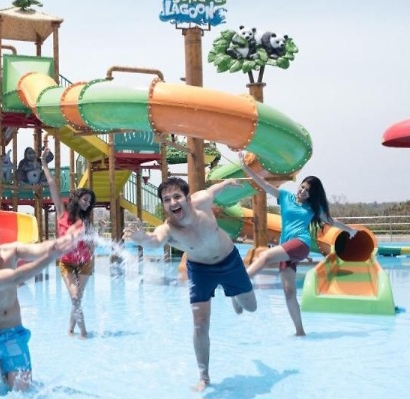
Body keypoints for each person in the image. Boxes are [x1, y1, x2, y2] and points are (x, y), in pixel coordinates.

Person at [122, 176, 257, 392]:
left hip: (230, 260)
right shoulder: (168, 228)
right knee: (200, 324)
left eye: (177, 196)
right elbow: (154, 240)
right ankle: (204, 376)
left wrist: (227, 183)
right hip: (201, 271)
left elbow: (214, 189)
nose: (173, 202)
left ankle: (235, 295)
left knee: (250, 307)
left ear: (188, 198)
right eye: (167, 200)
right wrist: (141, 237)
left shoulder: (202, 201)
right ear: (164, 206)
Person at [0, 210, 83, 398]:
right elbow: (15, 277)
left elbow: (41, 248)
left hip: (13, 333)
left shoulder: (12, 251)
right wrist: (52, 257)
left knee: (22, 390)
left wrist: (63, 241)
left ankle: (2, 365)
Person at [238, 151, 358, 336]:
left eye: (307, 190)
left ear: (312, 195)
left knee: (265, 255)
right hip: (286, 248)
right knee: (288, 291)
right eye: (302, 187)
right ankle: (300, 331)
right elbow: (263, 184)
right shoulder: (285, 196)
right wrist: (246, 167)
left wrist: (349, 230)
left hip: (300, 244)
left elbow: (331, 221)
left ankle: (239, 283)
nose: (303, 191)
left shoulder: (312, 208)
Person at [41, 147, 98, 338]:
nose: (88, 203)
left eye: (90, 201)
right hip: (66, 261)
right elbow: (52, 186)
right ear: (77, 198)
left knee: (77, 298)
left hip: (85, 263)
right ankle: (83, 333)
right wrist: (44, 165)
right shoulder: (61, 213)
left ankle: (72, 330)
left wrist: (92, 243)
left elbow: (92, 245)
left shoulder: (86, 222)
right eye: (85, 199)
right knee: (75, 297)